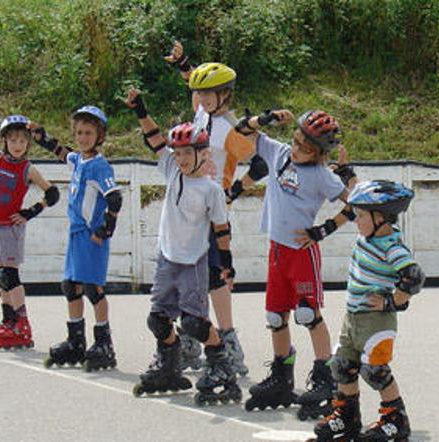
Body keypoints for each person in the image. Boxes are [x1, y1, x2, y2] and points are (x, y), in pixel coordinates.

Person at [235, 108, 357, 414]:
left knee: (307, 314)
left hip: (302, 253)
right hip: (277, 250)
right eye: (297, 140)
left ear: (319, 153)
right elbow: (241, 130)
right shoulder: (277, 153)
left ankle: (325, 378)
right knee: (276, 317)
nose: (298, 149)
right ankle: (281, 377)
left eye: (306, 148)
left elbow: (356, 204)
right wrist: (266, 119)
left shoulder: (321, 176)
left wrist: (324, 229)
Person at [125, 89, 241, 405]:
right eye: (178, 154)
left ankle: (222, 368)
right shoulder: (172, 170)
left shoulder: (211, 190)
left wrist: (227, 264)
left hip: (194, 263)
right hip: (167, 259)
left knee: (193, 323)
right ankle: (169, 365)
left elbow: (221, 229)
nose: (181, 158)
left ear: (203, 153)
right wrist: (140, 108)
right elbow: (154, 140)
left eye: (187, 153)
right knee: (158, 321)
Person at [164, 41, 270, 374]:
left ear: (226, 95)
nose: (203, 99)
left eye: (210, 94)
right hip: (188, 210)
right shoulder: (201, 114)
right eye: (201, 94)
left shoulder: (227, 129)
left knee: (213, 277)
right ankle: (193, 339)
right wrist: (184, 62)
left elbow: (260, 167)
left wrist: (232, 192)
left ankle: (227, 340)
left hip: (212, 211)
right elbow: (194, 84)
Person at [311, 180, 425, 441]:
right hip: (352, 317)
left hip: (377, 321)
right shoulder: (367, 238)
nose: (355, 221)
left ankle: (395, 420)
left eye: (360, 216)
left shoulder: (391, 247)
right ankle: (347, 416)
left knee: (375, 371)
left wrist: (393, 302)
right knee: (342, 366)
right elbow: (351, 188)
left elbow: (414, 276)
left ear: (381, 219)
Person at [33, 106, 122, 372]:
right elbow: (62, 152)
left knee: (93, 289)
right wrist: (41, 137)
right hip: (76, 234)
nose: (83, 138)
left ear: (100, 136)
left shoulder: (99, 166)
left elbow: (114, 197)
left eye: (89, 133)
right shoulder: (79, 160)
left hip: (92, 236)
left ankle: (104, 343)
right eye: (79, 133)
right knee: (70, 286)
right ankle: (76, 341)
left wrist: (106, 229)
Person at [0, 113, 59, 351]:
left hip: (10, 229)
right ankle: (9, 320)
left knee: (10, 277)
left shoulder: (28, 169)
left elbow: (53, 193)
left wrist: (30, 212)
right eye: (13, 140)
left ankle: (23, 326)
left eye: (23, 141)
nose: (18, 145)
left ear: (28, 144)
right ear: (5, 141)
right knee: (0, 275)